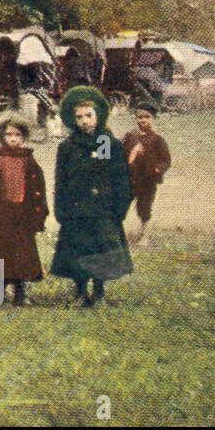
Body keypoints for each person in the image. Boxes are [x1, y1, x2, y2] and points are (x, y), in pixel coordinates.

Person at [50, 86, 134, 308]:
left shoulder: (106, 143)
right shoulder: (67, 147)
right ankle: (79, 292)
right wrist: (61, 209)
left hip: (101, 209)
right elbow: (61, 181)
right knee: (77, 249)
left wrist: (118, 209)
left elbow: (114, 175)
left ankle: (98, 292)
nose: (84, 121)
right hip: (76, 210)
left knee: (100, 251)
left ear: (99, 116)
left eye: (89, 116)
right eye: (79, 117)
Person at [0, 115, 49, 306]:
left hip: (21, 215)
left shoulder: (29, 160)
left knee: (21, 254)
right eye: (8, 134)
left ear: (24, 136)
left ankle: (20, 291)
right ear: (2, 136)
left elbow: (38, 188)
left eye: (17, 134)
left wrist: (38, 214)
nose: (13, 139)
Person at [122, 102, 171, 243]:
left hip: (147, 179)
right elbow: (118, 149)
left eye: (146, 117)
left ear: (152, 118)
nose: (142, 120)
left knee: (144, 206)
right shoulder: (130, 136)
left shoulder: (157, 139)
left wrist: (158, 168)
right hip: (130, 177)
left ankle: (145, 234)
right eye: (139, 117)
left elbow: (166, 160)